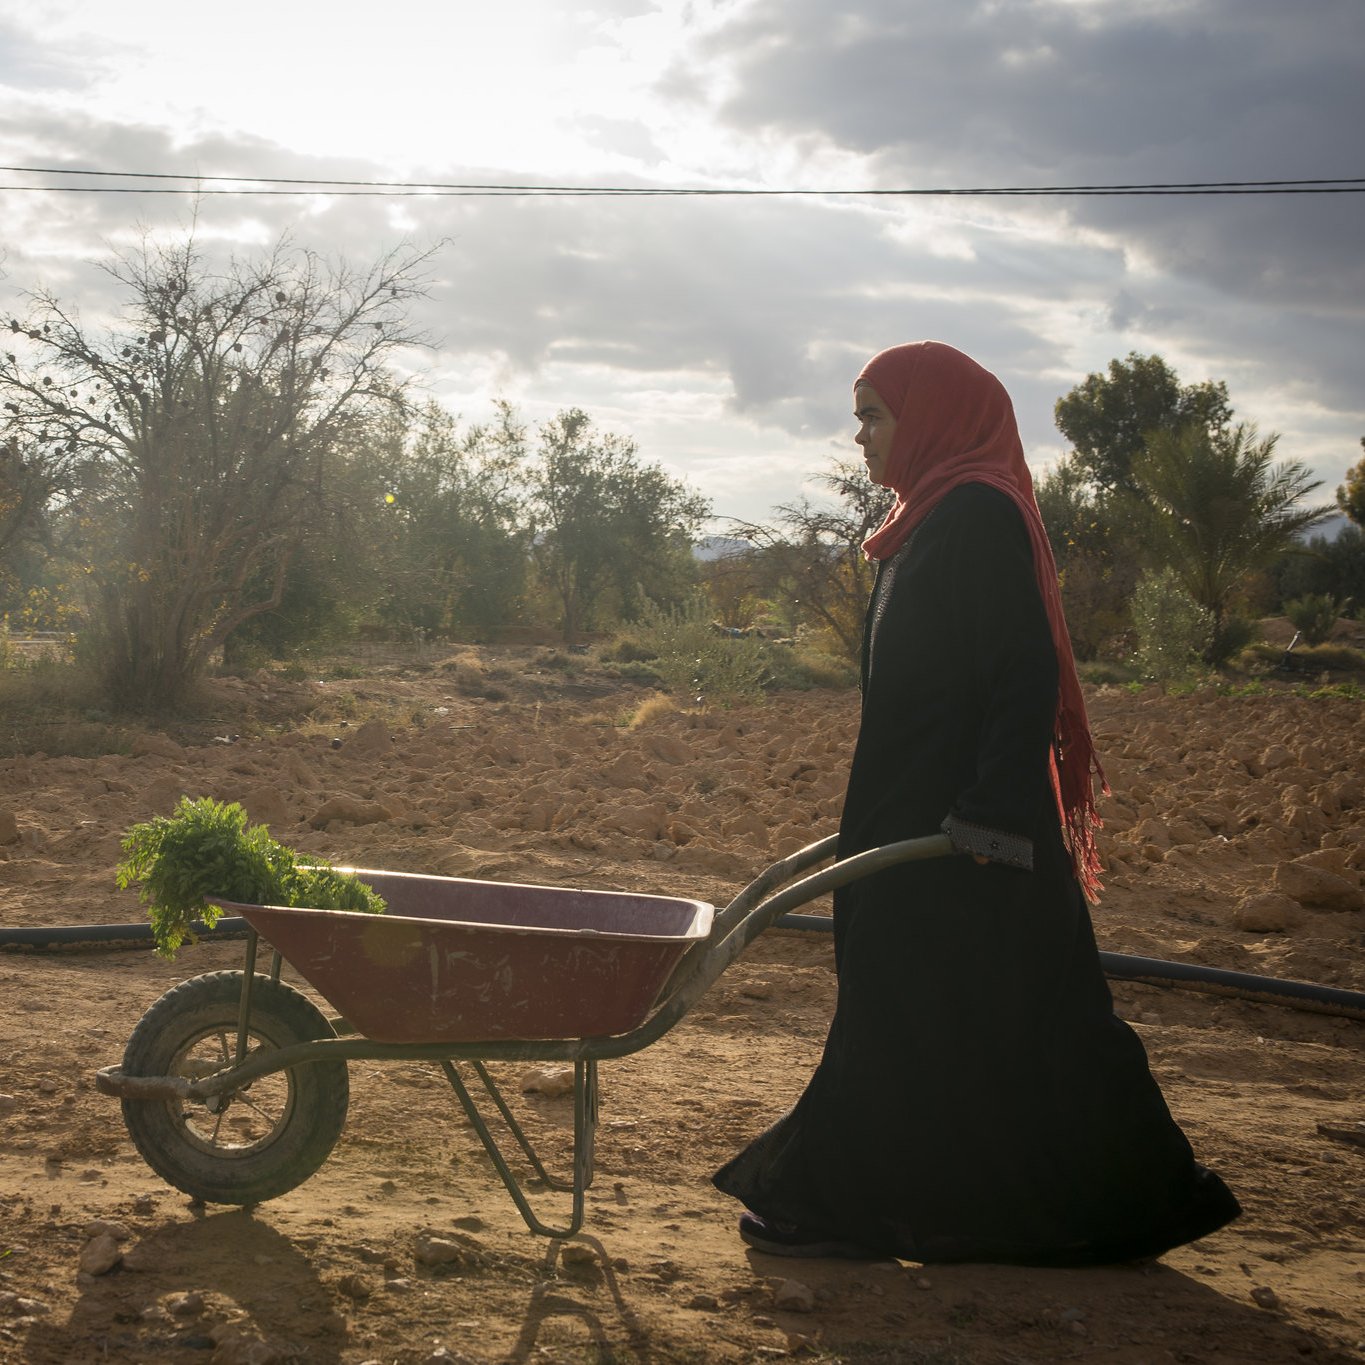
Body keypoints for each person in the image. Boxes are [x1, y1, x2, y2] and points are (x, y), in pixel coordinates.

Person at [713, 341, 1240, 1265]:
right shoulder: (921, 520)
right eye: (859, 416)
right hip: (916, 815)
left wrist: (989, 819)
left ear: (934, 416)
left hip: (968, 833)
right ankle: (1038, 1205)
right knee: (974, 1015)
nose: (862, 435)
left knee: (958, 1008)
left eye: (875, 415)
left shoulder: (975, 517)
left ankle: (834, 1202)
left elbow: (1021, 670)